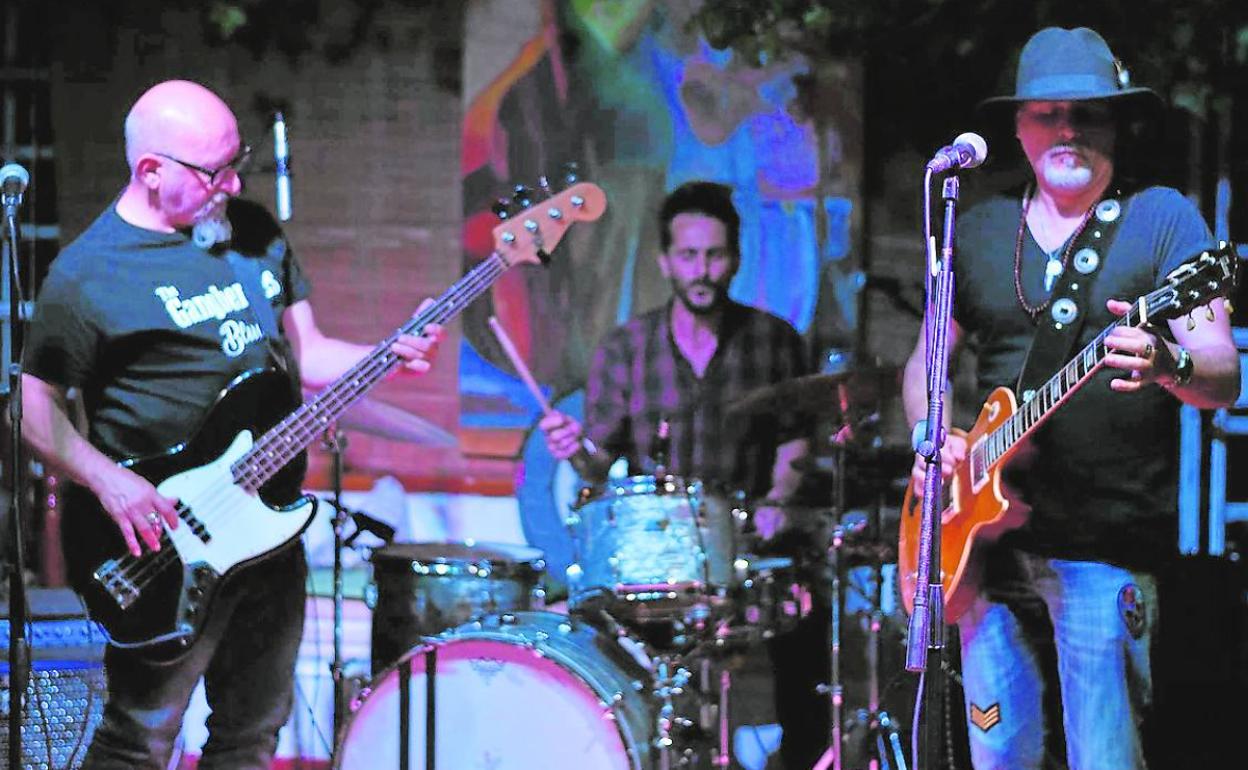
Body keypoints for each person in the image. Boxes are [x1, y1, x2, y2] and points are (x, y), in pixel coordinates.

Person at [20, 80, 444, 769]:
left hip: (269, 529)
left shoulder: (251, 236)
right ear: (150, 172)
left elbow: (309, 353)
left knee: (252, 734)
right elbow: (32, 407)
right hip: (160, 543)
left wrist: (388, 349)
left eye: (235, 162)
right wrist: (109, 481)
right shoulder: (87, 274)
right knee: (141, 737)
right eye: (213, 171)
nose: (234, 182)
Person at [901, 28, 1240, 770]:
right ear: (1017, 127)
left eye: (1087, 114)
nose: (1068, 131)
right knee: (998, 758)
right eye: (1048, 114)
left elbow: (1222, 373)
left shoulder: (1162, 218)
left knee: (1107, 759)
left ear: (1116, 124)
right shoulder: (978, 227)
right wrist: (932, 434)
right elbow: (926, 357)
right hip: (985, 547)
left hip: (1106, 547)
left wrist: (1169, 360)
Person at [540, 180, 829, 768]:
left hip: (752, 545)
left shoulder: (774, 342)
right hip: (658, 558)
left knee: (809, 629)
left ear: (736, 258)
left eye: (716, 255)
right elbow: (599, 461)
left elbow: (797, 440)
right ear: (665, 260)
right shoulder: (627, 348)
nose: (703, 271)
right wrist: (572, 449)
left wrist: (779, 497)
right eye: (690, 256)